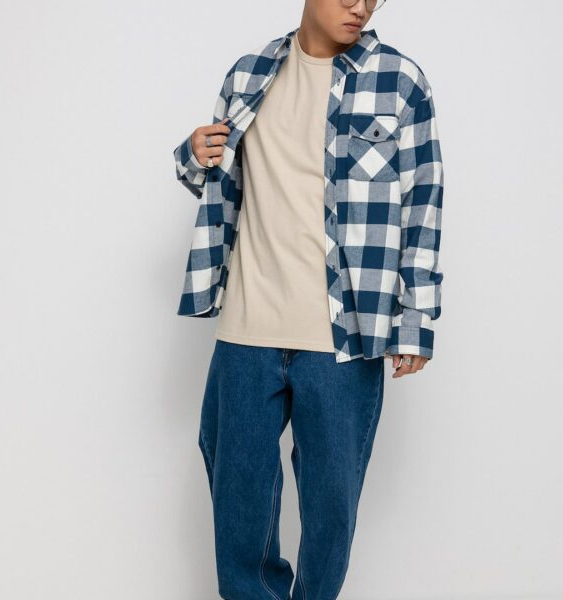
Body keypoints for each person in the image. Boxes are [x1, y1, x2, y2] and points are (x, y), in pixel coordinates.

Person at [172, 0, 444, 597]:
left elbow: (423, 205)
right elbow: (218, 181)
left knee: (331, 508)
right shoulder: (248, 75)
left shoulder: (401, 82)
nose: (361, 6)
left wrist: (416, 320)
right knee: (237, 499)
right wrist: (191, 155)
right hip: (247, 327)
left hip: (344, 337)